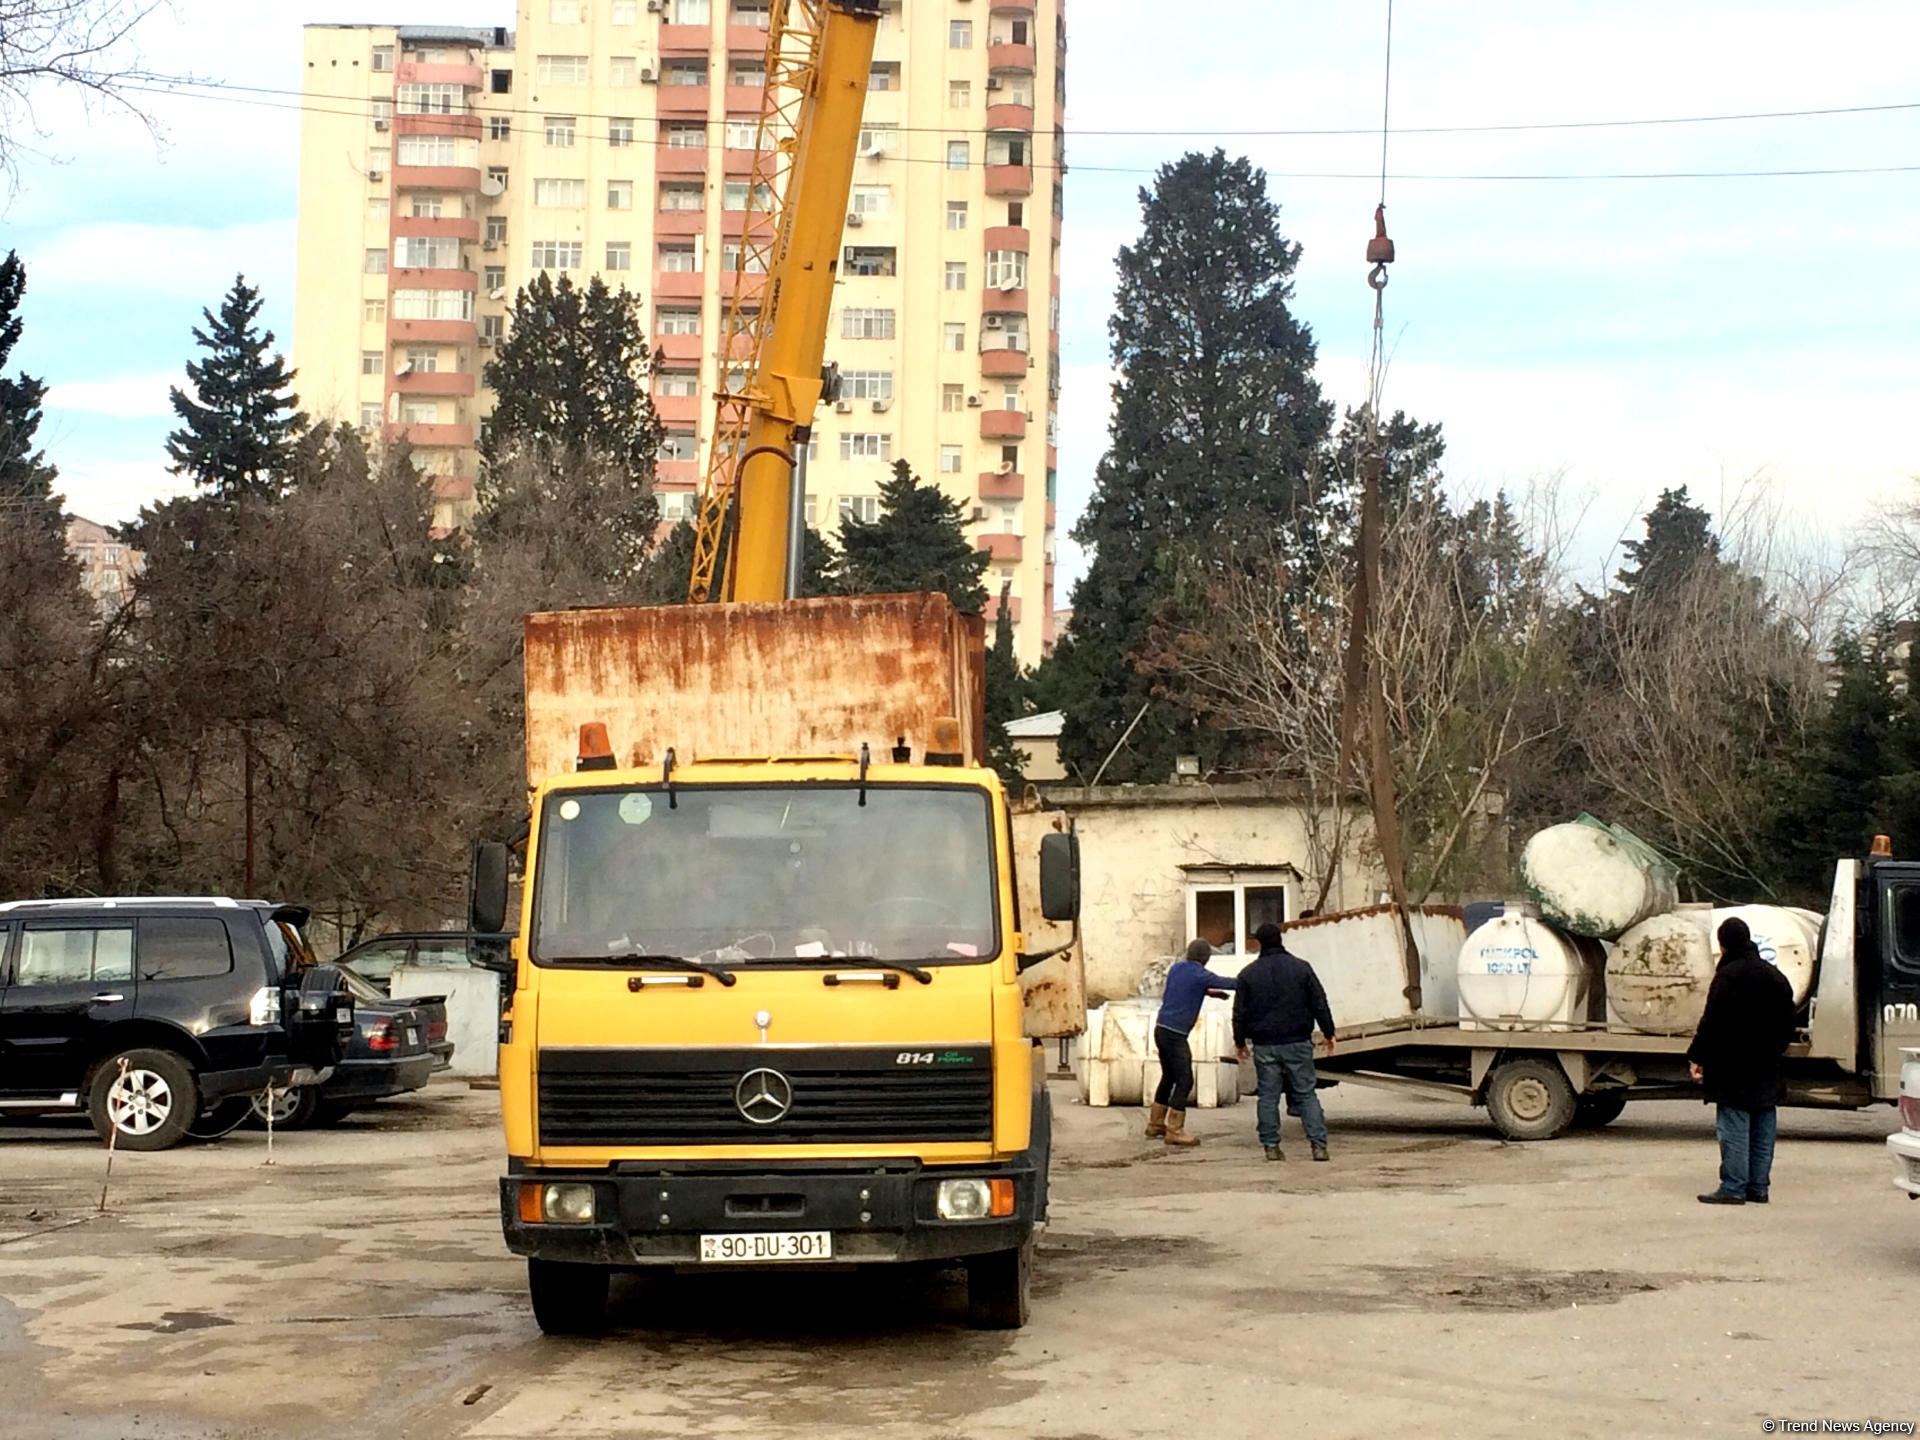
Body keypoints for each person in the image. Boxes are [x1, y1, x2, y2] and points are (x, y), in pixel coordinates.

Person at [1687, 915, 1796, 1205]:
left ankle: (1733, 1186)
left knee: (1734, 1125)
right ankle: (1758, 1187)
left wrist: (1697, 1057)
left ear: (1723, 945)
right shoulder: (1775, 976)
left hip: (1733, 1066)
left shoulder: (1728, 976)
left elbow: (1712, 1022)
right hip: (1767, 1064)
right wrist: (1775, 1047)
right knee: (1763, 1124)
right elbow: (1789, 1022)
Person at [1233, 922, 1337, 1162]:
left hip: (1265, 1045)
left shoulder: (1248, 975)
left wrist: (1240, 1042)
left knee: (1268, 1096)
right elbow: (1319, 1002)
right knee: (1305, 1094)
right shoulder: (1302, 969)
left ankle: (1271, 1147)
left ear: (1259, 942)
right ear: (1280, 939)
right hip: (1298, 1042)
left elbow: (1240, 1012)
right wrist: (1328, 1033)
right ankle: (1318, 1146)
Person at [1147, 939, 1237, 1148]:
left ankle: (1156, 1122)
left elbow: (1185, 986)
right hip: (1176, 1034)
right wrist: (1250, 980)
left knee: (1169, 1076)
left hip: (1161, 1029)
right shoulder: (1201, 974)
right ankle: (1175, 1130)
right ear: (1206, 958)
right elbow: (1229, 982)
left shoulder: (1177, 968)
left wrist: (1209, 992)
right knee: (1185, 1080)